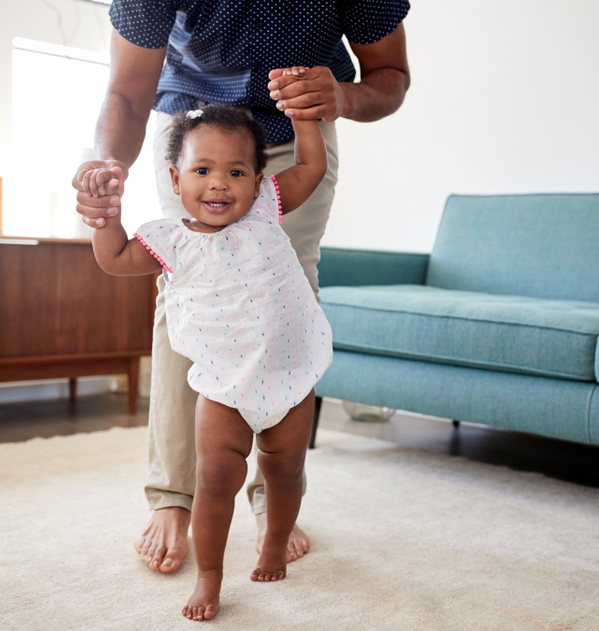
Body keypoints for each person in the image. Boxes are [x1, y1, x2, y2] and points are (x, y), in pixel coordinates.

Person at [73, 0, 411, 575]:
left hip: (296, 131)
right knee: (186, 291)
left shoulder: (276, 183)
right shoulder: (182, 192)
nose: (221, 187)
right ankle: (174, 495)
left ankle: (271, 494)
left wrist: (339, 98)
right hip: (193, 133)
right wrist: (105, 177)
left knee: (287, 288)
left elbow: (391, 75)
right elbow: (127, 93)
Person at [86, 97, 330, 621]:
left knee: (285, 470)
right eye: (202, 171)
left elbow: (311, 166)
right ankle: (210, 577)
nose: (219, 184)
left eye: (235, 172)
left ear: (258, 182)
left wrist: (304, 119)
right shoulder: (169, 240)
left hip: (288, 377)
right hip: (222, 386)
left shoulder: (266, 209)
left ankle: (274, 543)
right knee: (216, 479)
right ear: (175, 181)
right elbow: (113, 258)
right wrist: (105, 214)